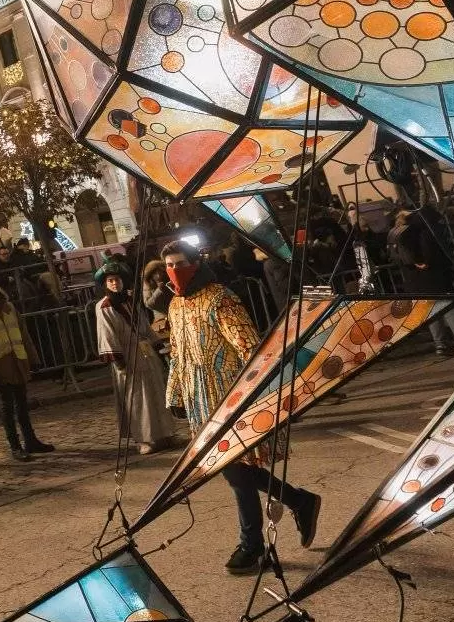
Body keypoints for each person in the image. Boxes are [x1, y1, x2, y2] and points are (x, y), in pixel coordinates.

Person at [161, 237, 321, 575]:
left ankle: (252, 544)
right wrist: (174, 394)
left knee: (235, 470)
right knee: (237, 468)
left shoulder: (221, 299)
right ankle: (298, 501)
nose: (175, 271)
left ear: (196, 263)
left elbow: (249, 347)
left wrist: (259, 390)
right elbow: (177, 352)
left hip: (229, 394)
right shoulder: (175, 305)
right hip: (198, 397)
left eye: (180, 264)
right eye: (169, 265)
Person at [0, 278, 53, 460]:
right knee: (7, 408)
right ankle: (15, 446)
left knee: (22, 405)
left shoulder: (10, 308)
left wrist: (34, 359)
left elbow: (24, 334)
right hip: (0, 365)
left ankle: (30, 441)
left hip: (18, 361)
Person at [97, 264, 175, 455]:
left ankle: (164, 433)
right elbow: (107, 333)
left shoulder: (131, 300)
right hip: (127, 356)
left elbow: (145, 326)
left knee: (156, 393)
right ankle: (144, 439)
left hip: (146, 353)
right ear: (105, 284)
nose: (115, 283)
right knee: (137, 399)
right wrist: (118, 360)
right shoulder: (104, 307)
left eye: (118, 279)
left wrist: (157, 345)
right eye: (111, 280)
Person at [390, 207, 454, 355]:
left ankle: (440, 344)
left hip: (414, 279)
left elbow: (395, 257)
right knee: (450, 308)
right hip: (433, 277)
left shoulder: (396, 233)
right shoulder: (424, 231)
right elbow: (431, 254)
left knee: (432, 312)